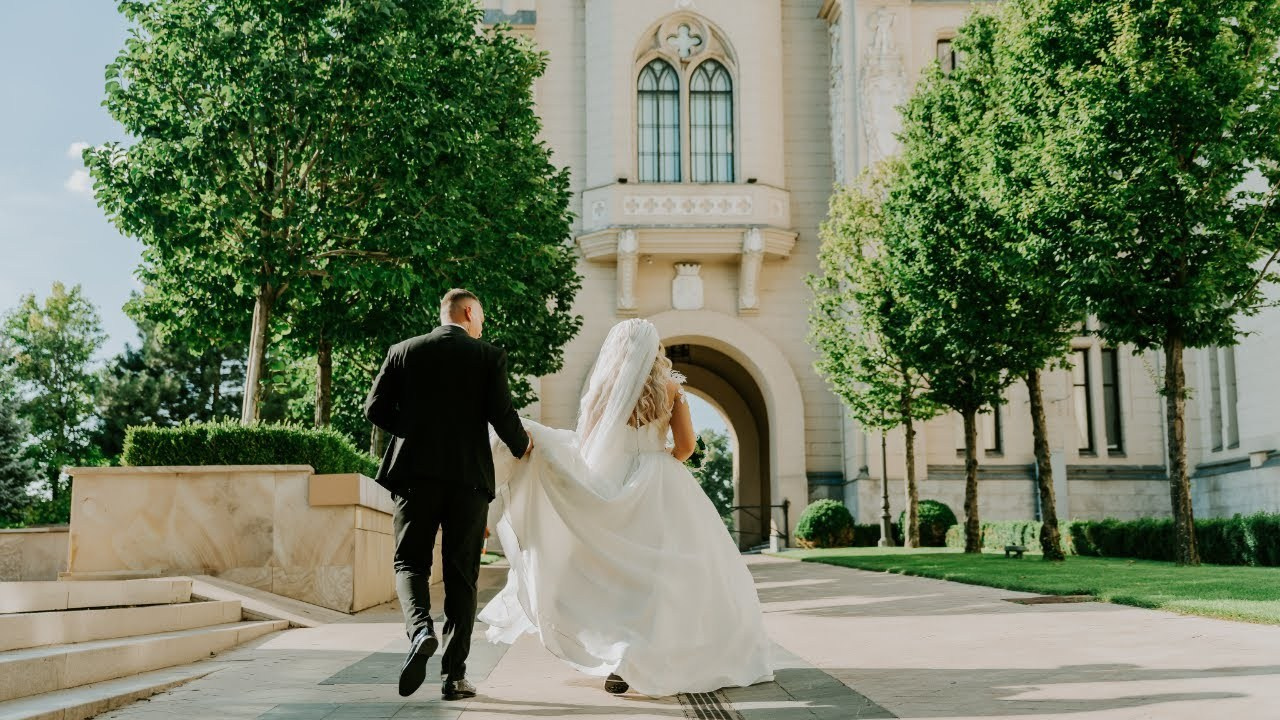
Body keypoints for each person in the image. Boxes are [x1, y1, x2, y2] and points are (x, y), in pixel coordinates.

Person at [480, 318, 775, 697]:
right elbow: (685, 447)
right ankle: (663, 653)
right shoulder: (671, 389)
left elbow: (586, 445)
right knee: (669, 572)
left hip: (610, 477)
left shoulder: (601, 391)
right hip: (660, 483)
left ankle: (619, 658)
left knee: (613, 571)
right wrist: (665, 452)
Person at [364, 288, 533, 700]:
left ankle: (419, 629)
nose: (482, 326)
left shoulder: (403, 351)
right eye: (481, 318)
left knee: (410, 562)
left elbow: (374, 409)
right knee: (462, 577)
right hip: (467, 480)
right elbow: (502, 414)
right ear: (470, 311)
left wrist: (414, 430)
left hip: (414, 476)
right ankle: (454, 677)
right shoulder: (488, 356)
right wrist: (521, 444)